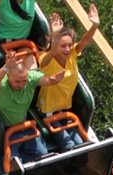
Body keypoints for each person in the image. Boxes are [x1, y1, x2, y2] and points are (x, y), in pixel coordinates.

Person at [36, 6, 99, 151]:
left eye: (69, 45)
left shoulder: (71, 56)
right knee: (70, 145)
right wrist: (55, 36)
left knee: (81, 143)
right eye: (63, 45)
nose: (67, 49)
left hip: (64, 111)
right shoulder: (48, 59)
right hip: (48, 113)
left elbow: (85, 41)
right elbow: (49, 55)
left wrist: (94, 26)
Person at [0, 51, 65, 166]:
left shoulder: (30, 79)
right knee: (11, 163)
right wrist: (6, 67)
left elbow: (47, 80)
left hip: (23, 127)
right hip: (5, 131)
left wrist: (55, 79)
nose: (21, 84)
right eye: (17, 81)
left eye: (24, 81)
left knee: (42, 154)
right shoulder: (1, 87)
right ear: (8, 76)